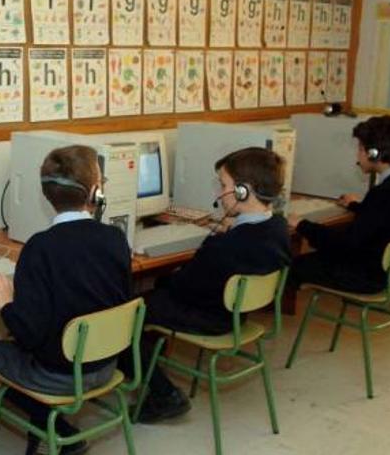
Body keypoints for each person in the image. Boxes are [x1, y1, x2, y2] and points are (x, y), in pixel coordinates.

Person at [0, 145, 133, 455]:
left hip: (61, 377)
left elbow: (29, 335)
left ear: (46, 194)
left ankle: (49, 427)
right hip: (108, 366)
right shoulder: (115, 238)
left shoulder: (40, 248)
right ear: (95, 193)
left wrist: (6, 302)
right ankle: (51, 427)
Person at [125, 147, 291, 422]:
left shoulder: (226, 246)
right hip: (236, 313)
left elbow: (183, 286)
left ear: (242, 191)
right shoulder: (278, 228)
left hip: (211, 318)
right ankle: (150, 366)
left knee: (131, 313)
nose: (218, 193)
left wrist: (181, 268)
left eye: (223, 185)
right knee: (157, 294)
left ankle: (164, 394)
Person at [288, 115, 390, 294]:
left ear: (373, 153)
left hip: (367, 277)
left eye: (360, 148)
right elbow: (384, 219)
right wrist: (356, 206)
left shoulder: (384, 193)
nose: (357, 155)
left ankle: (268, 312)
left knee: (293, 264)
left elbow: (346, 244)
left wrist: (301, 225)